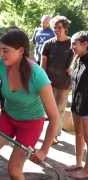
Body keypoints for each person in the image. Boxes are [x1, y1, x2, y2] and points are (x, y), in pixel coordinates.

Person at [0, 30, 58, 180]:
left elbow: (54, 118)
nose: (1, 54)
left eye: (5, 50)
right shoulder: (0, 64)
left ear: (21, 51)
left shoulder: (38, 75)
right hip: (8, 117)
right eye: (0, 50)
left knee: (14, 170)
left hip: (31, 124)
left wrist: (44, 150)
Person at [41, 15, 73, 143]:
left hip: (65, 84)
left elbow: (78, 61)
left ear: (65, 28)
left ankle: (53, 135)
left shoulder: (72, 43)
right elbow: (42, 64)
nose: (56, 30)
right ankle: (51, 133)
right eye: (55, 27)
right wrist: (42, 80)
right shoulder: (48, 44)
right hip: (48, 83)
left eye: (59, 27)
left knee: (59, 110)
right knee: (48, 110)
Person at [66, 31, 88, 178]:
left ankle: (87, 171)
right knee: (78, 134)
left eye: (75, 44)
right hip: (76, 103)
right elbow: (71, 75)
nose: (72, 46)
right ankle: (78, 163)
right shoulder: (78, 58)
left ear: (85, 44)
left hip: (87, 107)